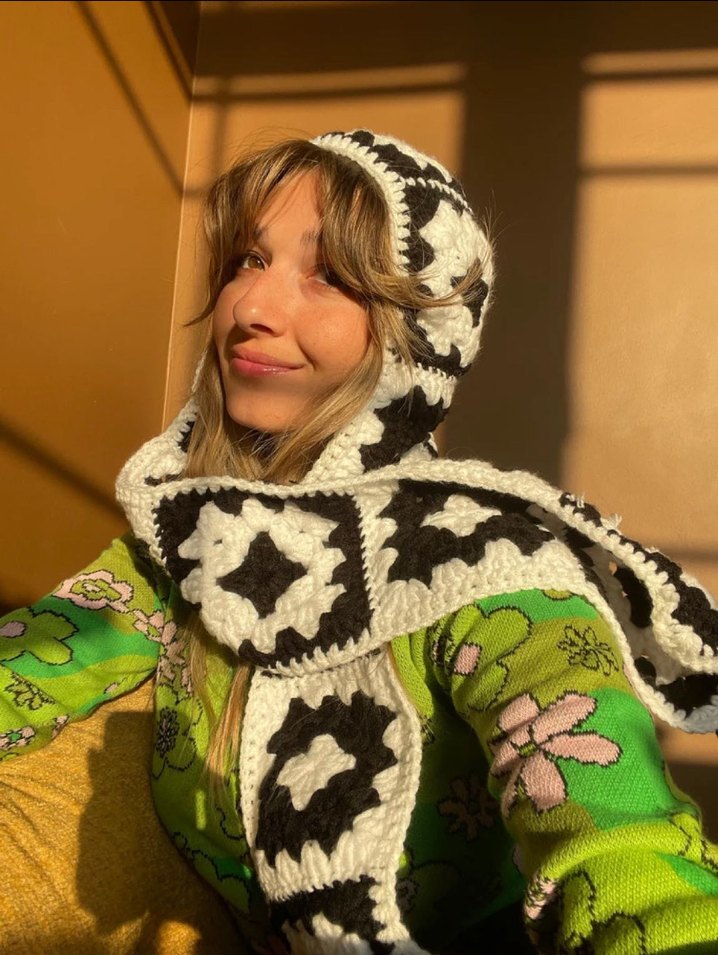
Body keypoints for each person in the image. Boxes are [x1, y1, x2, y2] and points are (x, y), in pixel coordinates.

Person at [1, 129, 717, 955]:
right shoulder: (191, 528)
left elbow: (624, 839)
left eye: (331, 277)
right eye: (247, 260)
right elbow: (44, 655)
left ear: (416, 336)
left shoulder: (487, 568)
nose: (251, 308)